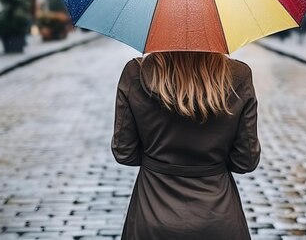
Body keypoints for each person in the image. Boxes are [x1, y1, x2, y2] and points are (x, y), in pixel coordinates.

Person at [111, 51, 261, 240]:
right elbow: (245, 161)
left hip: (152, 214)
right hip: (218, 216)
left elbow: (124, 152)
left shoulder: (135, 73)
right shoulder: (239, 76)